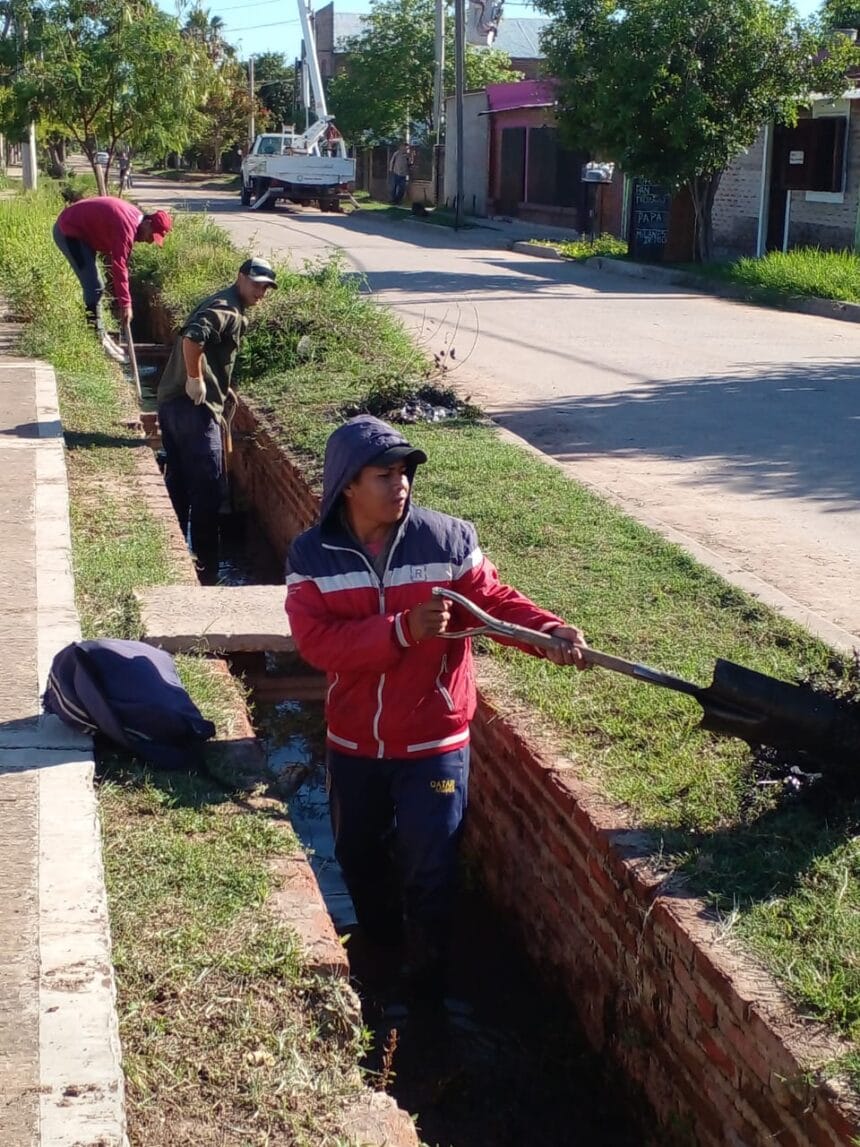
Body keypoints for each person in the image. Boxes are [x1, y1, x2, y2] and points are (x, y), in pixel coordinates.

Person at [285, 414, 588, 1007]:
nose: (400, 485)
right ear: (348, 484)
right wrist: (400, 631)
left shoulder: (446, 541)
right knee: (359, 856)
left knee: (433, 867)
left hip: (434, 743)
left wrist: (548, 631)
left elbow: (495, 604)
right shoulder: (312, 554)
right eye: (384, 475)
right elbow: (316, 643)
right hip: (355, 744)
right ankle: (379, 952)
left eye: (404, 473)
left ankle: (425, 986)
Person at [156, 257, 278, 583]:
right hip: (194, 410)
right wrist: (196, 379)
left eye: (266, 287)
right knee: (209, 493)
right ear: (240, 277)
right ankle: (207, 572)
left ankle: (177, 551)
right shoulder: (227, 310)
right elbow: (193, 338)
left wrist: (221, 388)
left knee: (180, 483)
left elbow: (208, 350)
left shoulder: (222, 301)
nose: (261, 292)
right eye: (256, 284)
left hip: (171, 406)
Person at [53, 196, 172, 363]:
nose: (150, 241)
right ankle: (97, 338)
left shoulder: (133, 220)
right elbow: (119, 266)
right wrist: (126, 304)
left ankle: (101, 334)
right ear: (148, 223)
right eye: (152, 236)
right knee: (94, 286)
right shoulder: (127, 227)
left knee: (96, 286)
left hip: (84, 235)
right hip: (69, 232)